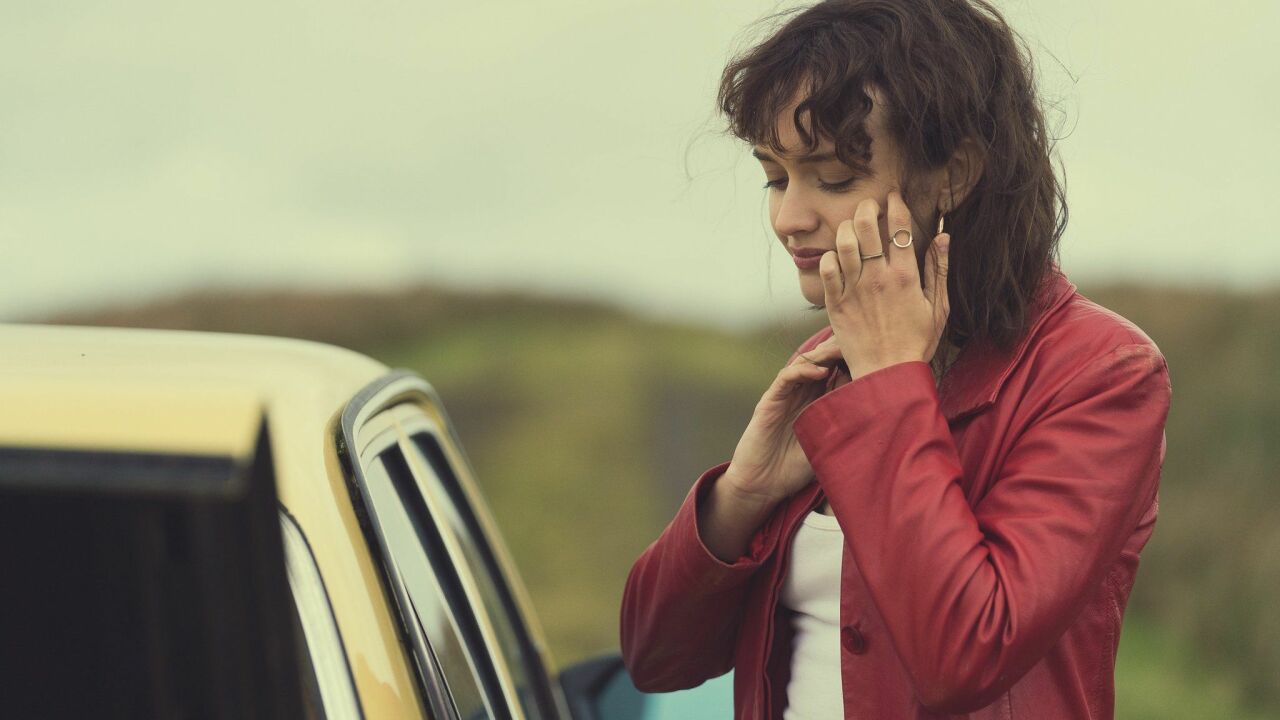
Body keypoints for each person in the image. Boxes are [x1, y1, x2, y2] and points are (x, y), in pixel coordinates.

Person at [619, 1, 1172, 718]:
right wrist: (743, 495)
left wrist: (887, 384)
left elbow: (965, 655)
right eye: (775, 178)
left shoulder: (1099, 372)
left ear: (955, 174)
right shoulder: (828, 364)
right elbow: (655, 656)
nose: (789, 218)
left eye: (832, 178)